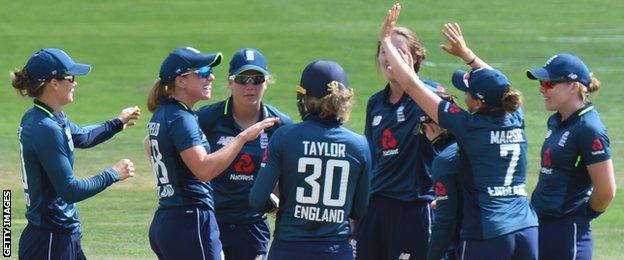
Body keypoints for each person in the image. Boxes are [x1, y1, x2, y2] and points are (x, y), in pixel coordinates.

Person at [379, 4, 538, 259]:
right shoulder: (514, 115)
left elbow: (411, 86)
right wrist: (468, 56)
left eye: (467, 90)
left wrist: (385, 40)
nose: (463, 94)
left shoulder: (470, 126)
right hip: (527, 229)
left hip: (489, 233)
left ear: (478, 102)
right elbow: (502, 84)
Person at [146, 46, 278, 260]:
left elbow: (151, 146)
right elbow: (204, 170)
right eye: (204, 72)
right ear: (181, 80)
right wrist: (243, 137)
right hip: (191, 219)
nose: (211, 77)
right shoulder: (182, 118)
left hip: (169, 218)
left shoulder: (165, 113)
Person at [12, 48, 140, 259]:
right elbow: (70, 190)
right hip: (50, 240)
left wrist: (117, 123)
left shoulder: (48, 116)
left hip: (60, 235)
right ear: (54, 83)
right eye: (71, 78)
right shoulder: (45, 128)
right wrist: (113, 174)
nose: (75, 83)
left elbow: (82, 137)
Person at [250, 60, 371, 260]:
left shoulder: (284, 137)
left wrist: (277, 205)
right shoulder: (360, 145)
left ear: (304, 98)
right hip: (336, 250)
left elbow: (256, 200)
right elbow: (360, 210)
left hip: (289, 249)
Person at [355, 10, 444, 260]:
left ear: (414, 58)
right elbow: (370, 157)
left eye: (398, 50)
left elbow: (455, 147)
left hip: (413, 206)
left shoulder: (431, 95)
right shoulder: (376, 103)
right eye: (384, 50)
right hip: (376, 206)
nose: (389, 56)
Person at [195, 48, 293, 260]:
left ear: (266, 82)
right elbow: (163, 143)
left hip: (253, 226)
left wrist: (276, 198)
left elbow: (288, 175)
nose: (250, 86)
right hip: (211, 221)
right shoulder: (208, 118)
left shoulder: (280, 125)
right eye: (242, 79)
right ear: (230, 82)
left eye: (256, 79)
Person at [527, 54, 616, 260]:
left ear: (573, 86)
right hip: (541, 225)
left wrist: (580, 216)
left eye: (549, 83)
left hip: (566, 234)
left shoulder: (588, 128)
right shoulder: (557, 120)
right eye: (541, 83)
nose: (542, 88)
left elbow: (606, 190)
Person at [424, 92, 461, 260]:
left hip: (470, 238)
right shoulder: (472, 141)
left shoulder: (445, 160)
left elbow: (445, 224)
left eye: (423, 126)